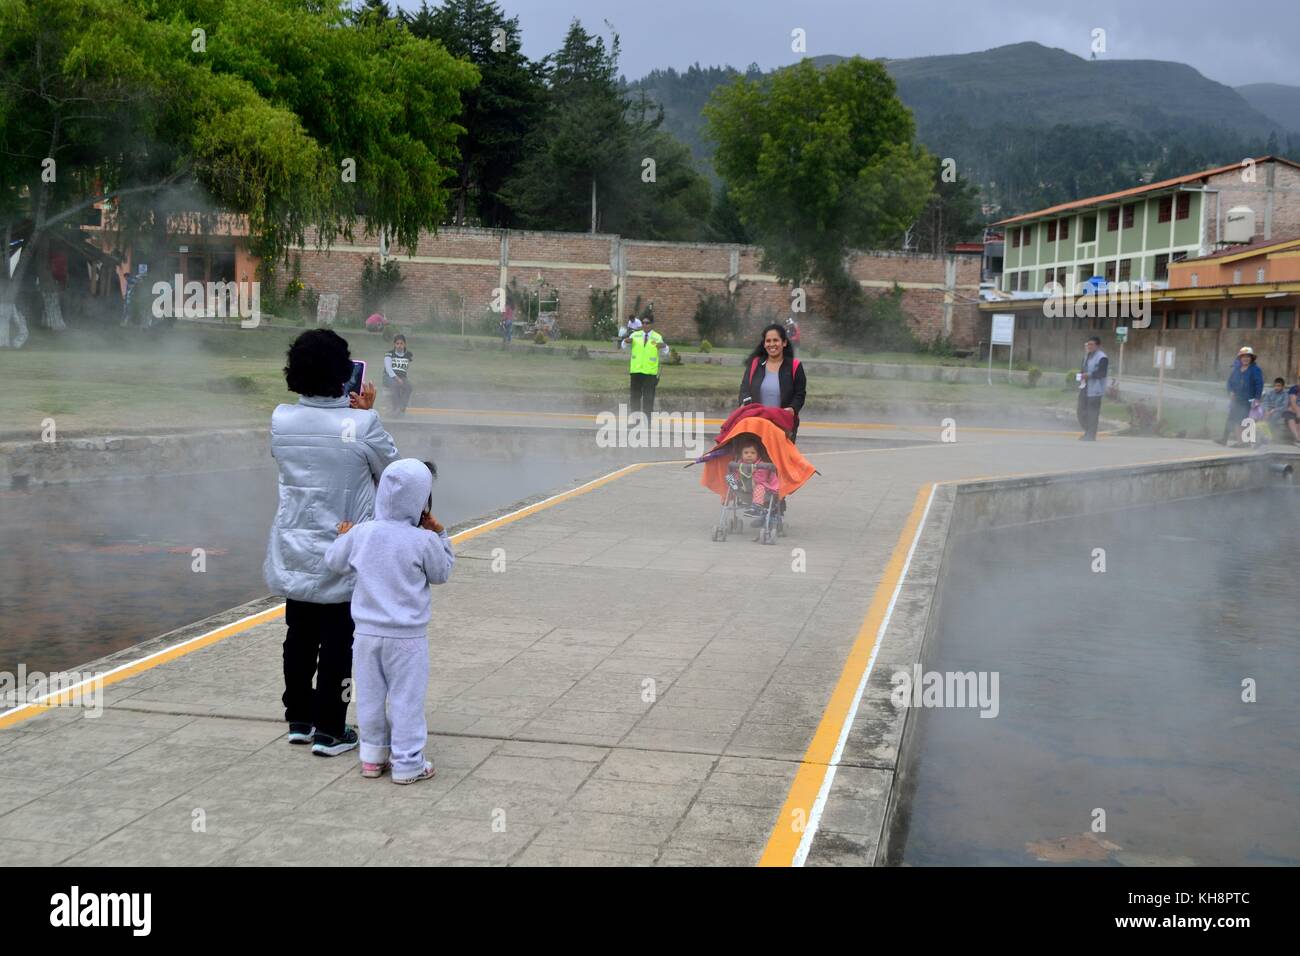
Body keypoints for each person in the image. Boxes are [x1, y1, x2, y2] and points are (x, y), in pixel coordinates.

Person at [263, 329, 400, 757]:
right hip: (345, 549)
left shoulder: (280, 418)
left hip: (294, 546)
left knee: (298, 634)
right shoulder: (363, 424)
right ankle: (331, 728)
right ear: (345, 375)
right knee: (341, 640)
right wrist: (365, 412)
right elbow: (394, 475)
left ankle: (299, 720)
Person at [325, 459, 454, 784]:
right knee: (405, 700)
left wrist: (344, 536)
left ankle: (372, 756)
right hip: (407, 639)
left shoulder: (363, 534)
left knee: (368, 695)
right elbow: (442, 572)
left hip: (366, 635)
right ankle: (408, 763)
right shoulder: (422, 540)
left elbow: (334, 561)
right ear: (421, 501)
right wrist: (440, 532)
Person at [739, 323, 807, 441]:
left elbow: (800, 394)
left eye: (776, 340)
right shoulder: (755, 364)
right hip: (756, 424)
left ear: (784, 343)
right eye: (768, 341)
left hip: (783, 426)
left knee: (779, 459)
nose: (771, 344)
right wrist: (745, 405)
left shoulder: (795, 366)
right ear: (764, 344)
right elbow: (744, 389)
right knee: (756, 459)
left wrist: (793, 408)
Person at [1217, 346, 1263, 446]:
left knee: (1241, 420)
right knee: (1232, 418)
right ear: (1240, 358)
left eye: (1248, 357)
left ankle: (1242, 442)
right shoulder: (1237, 369)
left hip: (1248, 400)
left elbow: (1259, 384)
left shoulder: (1255, 370)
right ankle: (1227, 439)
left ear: (1251, 358)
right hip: (1237, 398)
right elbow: (1230, 382)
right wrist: (1231, 391)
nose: (1245, 359)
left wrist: (1257, 398)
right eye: (1243, 357)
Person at [622, 314, 665, 417]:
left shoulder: (657, 337)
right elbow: (624, 347)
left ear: (652, 324)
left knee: (648, 398)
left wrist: (663, 346)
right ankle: (635, 420)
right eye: (643, 323)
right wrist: (625, 341)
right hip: (636, 372)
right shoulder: (635, 335)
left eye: (647, 323)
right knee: (635, 398)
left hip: (650, 373)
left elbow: (665, 351)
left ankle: (647, 421)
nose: (645, 325)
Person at [734, 438, 780, 518]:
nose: (749, 455)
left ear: (757, 455)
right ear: (741, 454)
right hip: (743, 491)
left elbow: (762, 479)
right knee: (732, 481)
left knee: (760, 486)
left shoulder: (761, 465)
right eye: (746, 453)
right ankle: (726, 498)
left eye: (753, 453)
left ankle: (756, 507)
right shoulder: (739, 464)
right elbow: (736, 474)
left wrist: (752, 475)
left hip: (761, 491)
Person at [1076, 336, 1108, 441]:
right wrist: (1081, 375)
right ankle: (1088, 431)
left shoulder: (1102, 357)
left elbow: (1102, 373)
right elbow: (1083, 369)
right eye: (1088, 344)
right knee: (1080, 411)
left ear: (1098, 346)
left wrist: (1088, 375)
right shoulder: (1087, 356)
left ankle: (1091, 434)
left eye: (1092, 344)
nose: (1089, 346)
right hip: (1084, 388)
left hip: (1095, 390)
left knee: (1092, 413)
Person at [382, 334, 414, 415]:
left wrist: (403, 379)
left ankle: (402, 408)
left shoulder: (408, 355)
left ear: (405, 344)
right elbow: (388, 369)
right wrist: (397, 378)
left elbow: (405, 369)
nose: (399, 345)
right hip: (389, 377)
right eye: (397, 343)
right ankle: (395, 408)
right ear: (394, 344)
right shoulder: (389, 354)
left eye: (401, 343)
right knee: (395, 385)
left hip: (402, 377)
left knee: (409, 386)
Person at [1261, 377, 1290, 442]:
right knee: (1261, 415)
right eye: (1275, 386)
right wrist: (1266, 411)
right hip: (1268, 410)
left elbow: (1284, 406)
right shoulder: (1270, 393)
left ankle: (1271, 436)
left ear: (1282, 387)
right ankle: (1262, 435)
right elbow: (1265, 402)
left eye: (1279, 386)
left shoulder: (1285, 395)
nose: (1276, 387)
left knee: (1273, 417)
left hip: (1279, 411)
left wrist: (1274, 410)